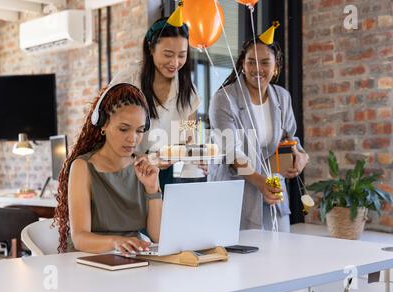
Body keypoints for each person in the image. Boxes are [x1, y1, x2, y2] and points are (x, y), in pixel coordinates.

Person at [208, 25, 309, 233]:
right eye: (251, 62)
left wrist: (300, 156)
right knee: (240, 260)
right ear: (242, 66)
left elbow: (290, 139)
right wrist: (259, 182)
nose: (257, 69)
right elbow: (230, 152)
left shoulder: (282, 97)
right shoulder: (224, 99)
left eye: (265, 62)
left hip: (273, 191)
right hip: (235, 192)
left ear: (276, 66)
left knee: (279, 256)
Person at [53, 83, 162, 255]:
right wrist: (117, 242)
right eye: (124, 129)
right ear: (103, 125)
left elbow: (157, 236)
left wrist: (152, 188)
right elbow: (80, 238)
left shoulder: (142, 165)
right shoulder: (83, 167)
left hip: (133, 256)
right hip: (91, 257)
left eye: (140, 130)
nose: (133, 139)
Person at [111, 15, 202, 191]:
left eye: (181, 55)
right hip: (125, 168)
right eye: (168, 54)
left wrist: (161, 158)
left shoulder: (188, 92)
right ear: (150, 48)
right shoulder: (128, 79)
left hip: (164, 173)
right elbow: (108, 128)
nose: (175, 63)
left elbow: (188, 140)